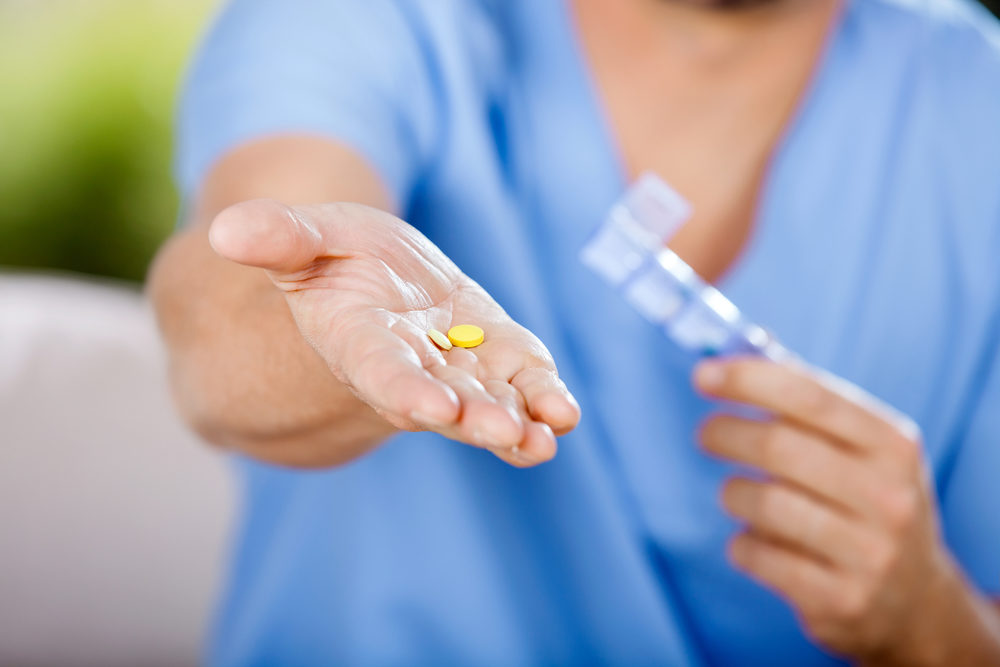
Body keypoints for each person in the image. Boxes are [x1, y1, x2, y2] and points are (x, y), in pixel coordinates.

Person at [149, 0, 1000, 663]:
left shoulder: (971, 104)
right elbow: (226, 317)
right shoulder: (379, 23)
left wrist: (935, 625)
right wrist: (337, 331)